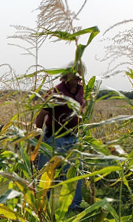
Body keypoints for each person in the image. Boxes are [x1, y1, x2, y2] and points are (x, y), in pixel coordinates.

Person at [35, 62, 86, 212]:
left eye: (79, 73)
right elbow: (42, 114)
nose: (77, 76)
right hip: (54, 138)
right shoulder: (56, 91)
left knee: (75, 172)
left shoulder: (81, 90)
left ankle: (73, 205)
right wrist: (36, 138)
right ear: (66, 75)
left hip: (73, 137)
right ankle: (42, 204)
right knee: (46, 172)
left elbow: (82, 108)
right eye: (74, 73)